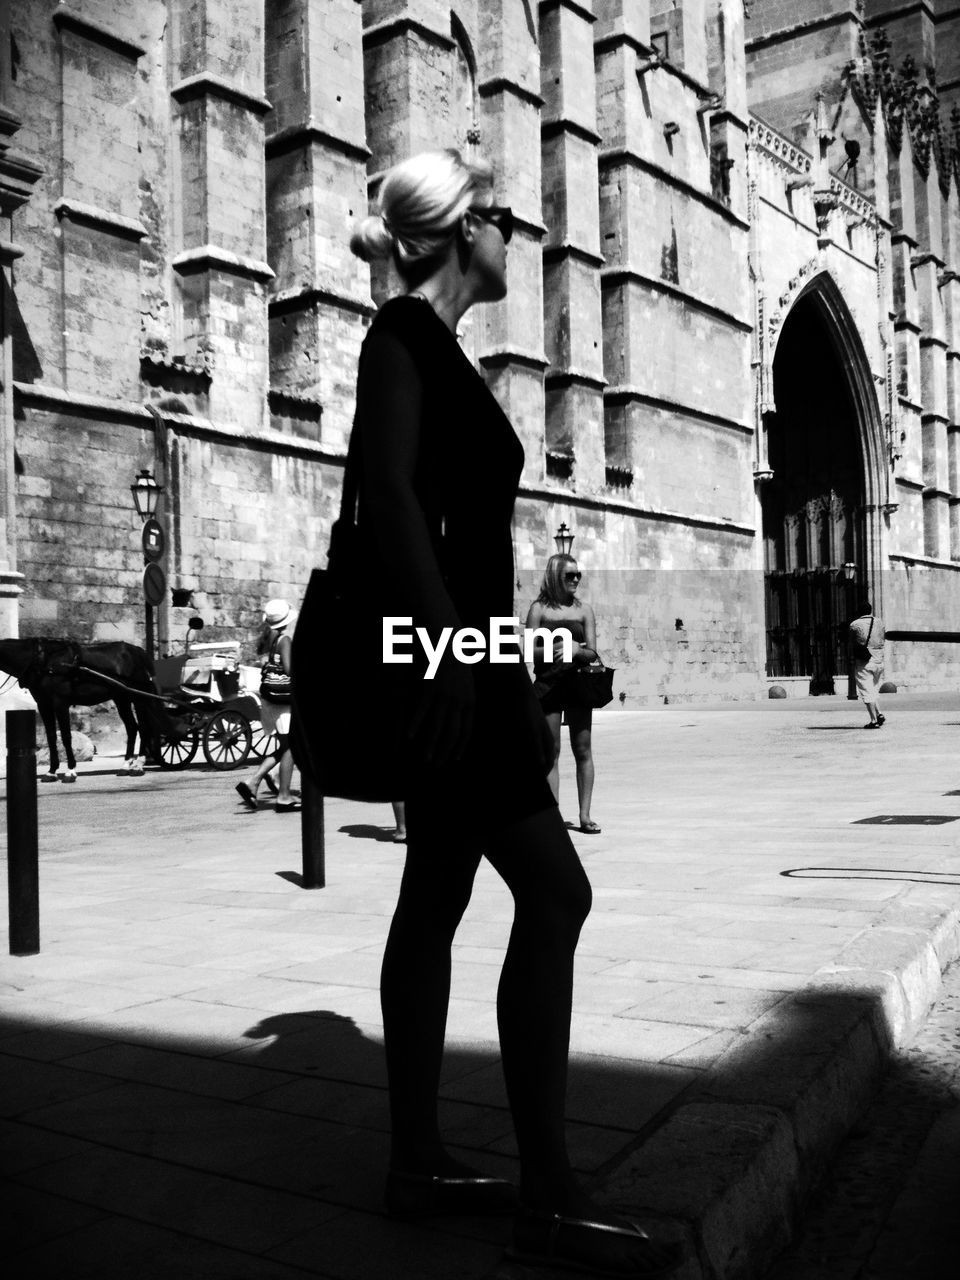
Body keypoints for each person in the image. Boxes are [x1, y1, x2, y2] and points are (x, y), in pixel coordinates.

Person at [348, 148, 681, 1276]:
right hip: (451, 668)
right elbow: (388, 497)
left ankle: (417, 1161)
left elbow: (455, 536)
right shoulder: (400, 338)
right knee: (557, 886)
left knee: (435, 892)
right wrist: (453, 659)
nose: (518, 237)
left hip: (471, 660)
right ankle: (548, 1191)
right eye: (503, 218)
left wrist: (506, 663)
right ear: (458, 232)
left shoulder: (442, 350)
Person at [526, 555, 601, 834]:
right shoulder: (539, 610)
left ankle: (585, 815)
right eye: (570, 575)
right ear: (555, 576)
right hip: (548, 683)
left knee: (583, 749)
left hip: (578, 684)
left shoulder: (584, 611)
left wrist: (577, 650)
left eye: (578, 575)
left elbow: (592, 652)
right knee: (551, 751)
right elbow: (528, 650)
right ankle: (552, 815)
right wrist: (556, 646)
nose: (576, 580)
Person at [236, 599, 299, 811]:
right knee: (291, 747)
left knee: (285, 747)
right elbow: (291, 671)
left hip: (271, 700)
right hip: (284, 704)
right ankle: (283, 796)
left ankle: (253, 782)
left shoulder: (272, 638)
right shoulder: (285, 639)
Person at [849, 598, 886, 729]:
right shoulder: (880, 622)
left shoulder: (854, 624)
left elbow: (853, 641)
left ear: (858, 611)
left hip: (864, 661)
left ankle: (874, 720)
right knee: (873, 690)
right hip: (879, 660)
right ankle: (879, 713)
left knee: (866, 691)